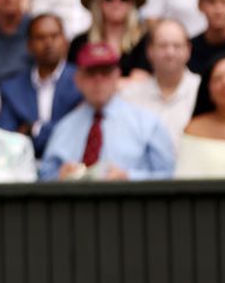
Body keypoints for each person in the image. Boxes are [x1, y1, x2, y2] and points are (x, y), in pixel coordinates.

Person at [39, 42, 175, 181]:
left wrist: (129, 178)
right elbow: (43, 176)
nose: (98, 80)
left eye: (105, 72)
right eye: (91, 73)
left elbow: (168, 176)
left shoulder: (147, 124)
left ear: (117, 75)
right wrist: (59, 176)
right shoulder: (65, 127)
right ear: (78, 79)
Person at [0, 13, 82, 156]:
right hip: (21, 166)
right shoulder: (11, 88)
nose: (48, 43)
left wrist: (34, 129)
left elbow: (79, 132)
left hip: (71, 163)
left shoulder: (82, 82)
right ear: (29, 45)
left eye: (54, 36)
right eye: (40, 37)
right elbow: (7, 139)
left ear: (66, 42)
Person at [119, 20, 202, 145]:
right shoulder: (130, 96)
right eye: (163, 45)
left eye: (177, 46)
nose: (170, 53)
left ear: (188, 50)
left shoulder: (203, 90)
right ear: (149, 51)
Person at [67, 0, 150, 77]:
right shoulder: (79, 43)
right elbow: (73, 81)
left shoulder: (145, 42)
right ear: (98, 3)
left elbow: (141, 82)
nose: (116, 1)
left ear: (131, 4)